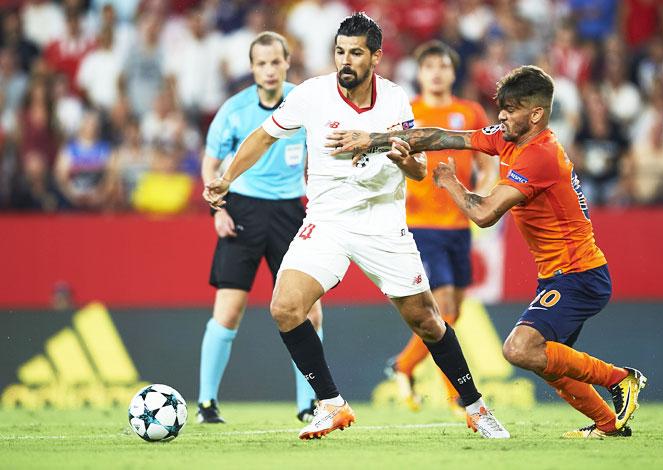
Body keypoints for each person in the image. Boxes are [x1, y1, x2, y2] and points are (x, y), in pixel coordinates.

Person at [204, 12, 509, 440]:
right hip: (327, 220)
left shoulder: (395, 100)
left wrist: (405, 159)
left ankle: (475, 407)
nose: (345, 61)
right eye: (340, 52)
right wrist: (226, 177)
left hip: (383, 221)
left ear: (376, 57)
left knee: (428, 320)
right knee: (285, 306)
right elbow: (262, 137)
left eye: (356, 53)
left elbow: (419, 170)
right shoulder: (312, 95)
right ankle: (331, 404)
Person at [327, 65, 646, 439]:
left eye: (511, 109)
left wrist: (450, 183)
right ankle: (608, 424)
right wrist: (375, 140)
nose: (502, 115)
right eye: (502, 107)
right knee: (549, 362)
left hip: (580, 276)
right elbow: (443, 136)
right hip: (560, 275)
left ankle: (621, 379)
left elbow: (484, 213)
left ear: (536, 114)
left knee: (520, 348)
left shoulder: (540, 155)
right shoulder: (508, 137)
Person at [197, 31, 323, 425]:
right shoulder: (233, 111)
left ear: (287, 62)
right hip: (243, 212)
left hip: (290, 212)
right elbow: (210, 163)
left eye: (275, 62)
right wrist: (218, 210)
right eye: (261, 63)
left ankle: (309, 403)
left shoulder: (303, 104)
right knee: (228, 311)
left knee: (309, 312)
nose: (269, 70)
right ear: (252, 68)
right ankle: (206, 404)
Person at [386, 40, 497, 415]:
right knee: (444, 305)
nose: (436, 71)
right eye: (429, 65)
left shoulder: (469, 111)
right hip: (420, 224)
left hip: (458, 224)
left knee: (453, 312)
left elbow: (489, 160)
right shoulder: (407, 112)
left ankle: (404, 366)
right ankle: (456, 395)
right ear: (419, 73)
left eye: (443, 65)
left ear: (453, 72)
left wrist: (481, 194)